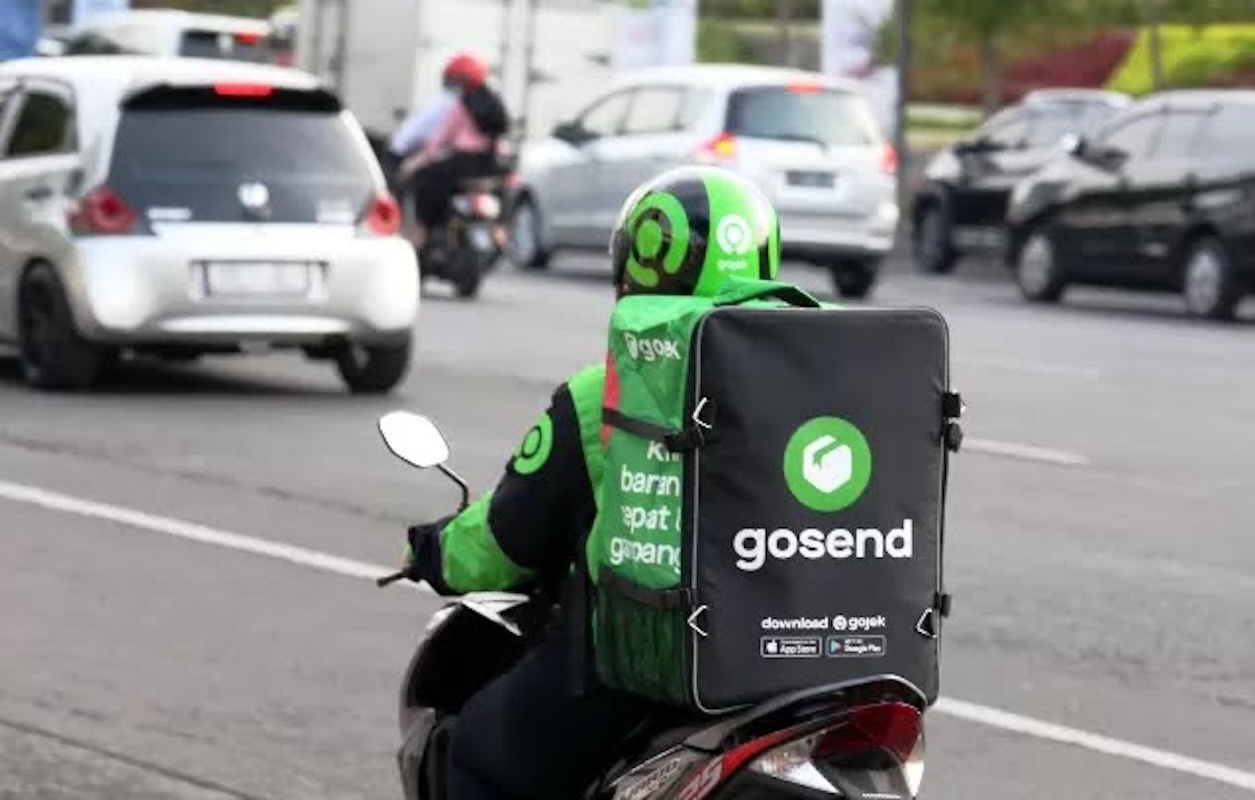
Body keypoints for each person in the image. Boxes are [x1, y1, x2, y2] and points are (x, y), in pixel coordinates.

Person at [402, 166, 783, 800]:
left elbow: (508, 538)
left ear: (639, 270)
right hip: (814, 664)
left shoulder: (605, 394)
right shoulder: (825, 379)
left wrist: (433, 550)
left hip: (653, 663)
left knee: (475, 757)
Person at [399, 51, 507, 251]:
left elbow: (440, 138)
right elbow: (500, 139)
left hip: (462, 165)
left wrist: (417, 162)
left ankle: (422, 231)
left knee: (424, 181)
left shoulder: (462, 105)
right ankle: (499, 230)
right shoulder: (495, 104)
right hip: (490, 167)